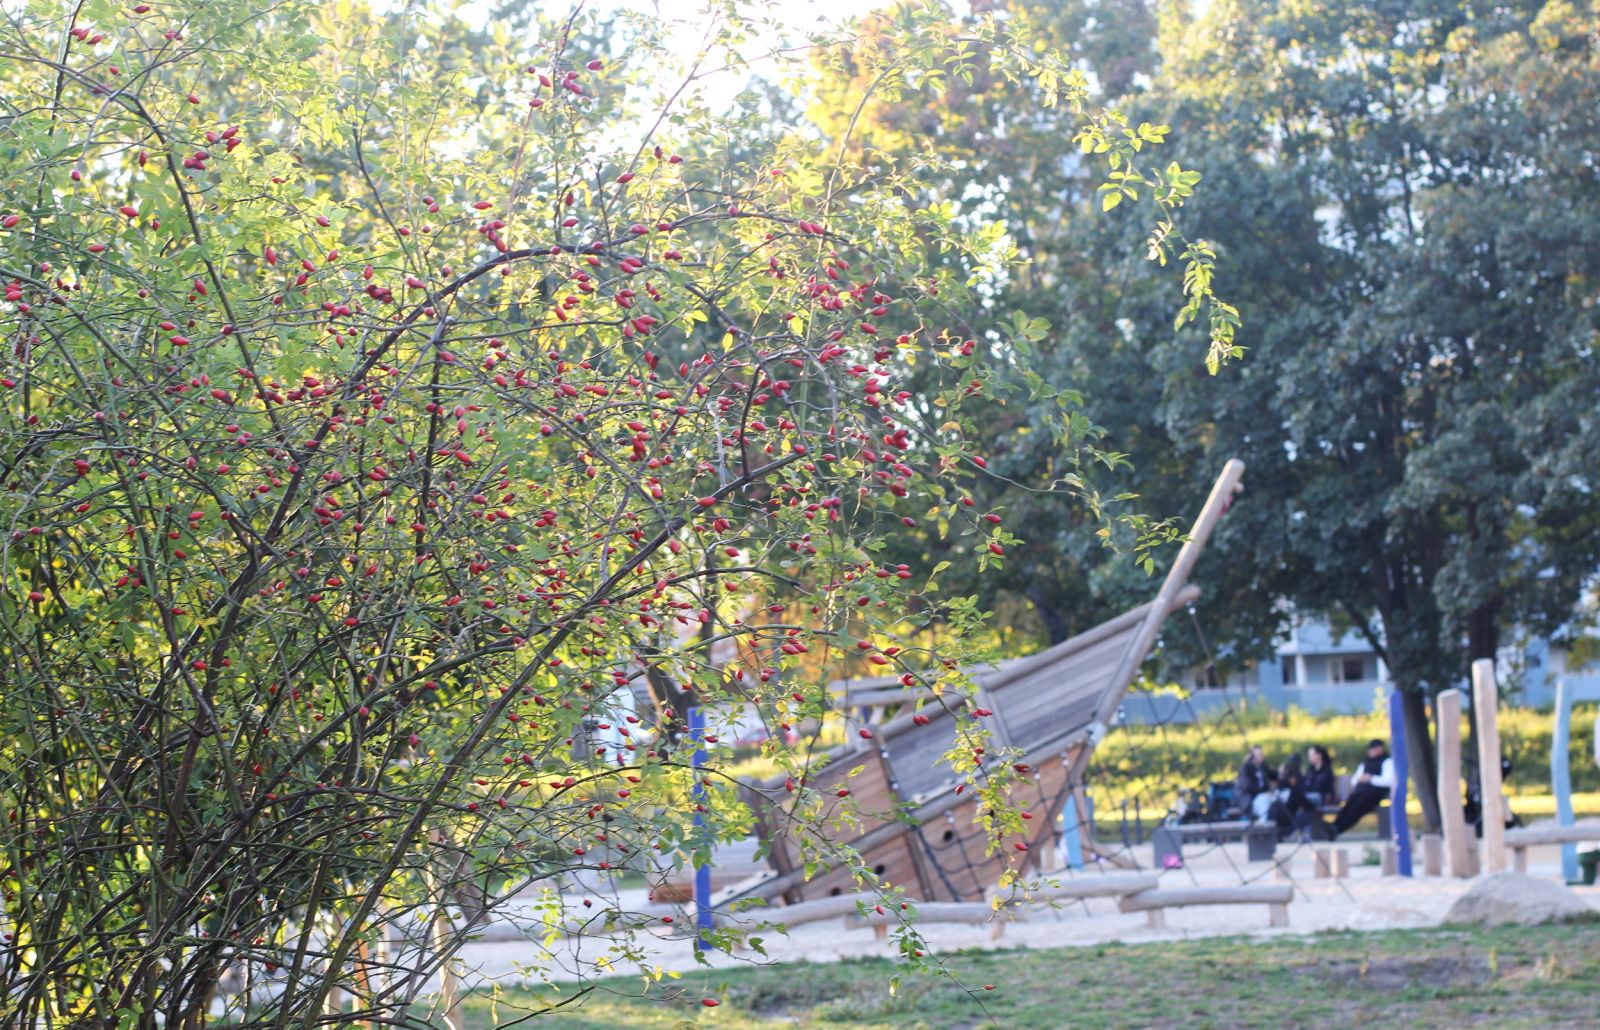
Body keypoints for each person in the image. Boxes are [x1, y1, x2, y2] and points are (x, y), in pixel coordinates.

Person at [1331, 739, 1394, 838]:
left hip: (1375, 794)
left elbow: (1388, 781)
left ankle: (1338, 828)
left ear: (1381, 749)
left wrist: (1371, 778)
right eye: (1371, 749)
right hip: (1360, 792)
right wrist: (1361, 779)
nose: (1372, 751)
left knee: (1358, 807)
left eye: (1375, 748)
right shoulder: (1365, 763)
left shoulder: (1387, 761)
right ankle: (1334, 826)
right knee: (1349, 805)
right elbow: (1355, 780)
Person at [1233, 745, 1269, 818]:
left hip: (1260, 797)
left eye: (1262, 754)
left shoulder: (1262, 768)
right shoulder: (1247, 768)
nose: (1262, 757)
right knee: (1264, 801)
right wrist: (1263, 792)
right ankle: (1264, 823)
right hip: (1249, 800)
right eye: (1259, 754)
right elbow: (1248, 787)